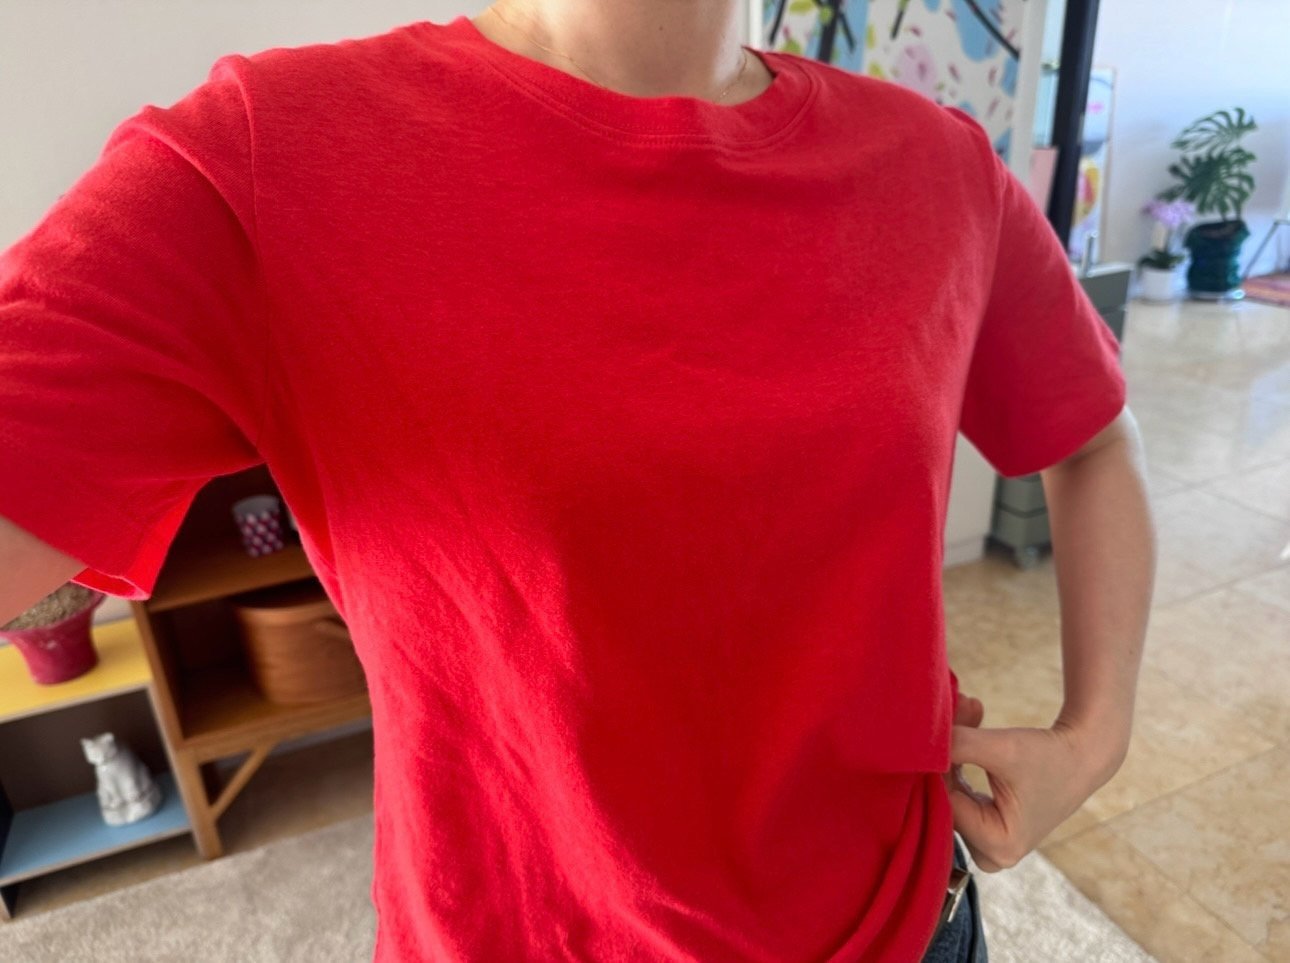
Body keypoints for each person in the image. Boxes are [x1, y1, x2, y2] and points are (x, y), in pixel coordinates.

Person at [0, 1, 1154, 960]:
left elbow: (1095, 438)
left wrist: (1094, 734)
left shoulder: (932, 166)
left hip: (905, 929)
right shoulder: (267, 159)